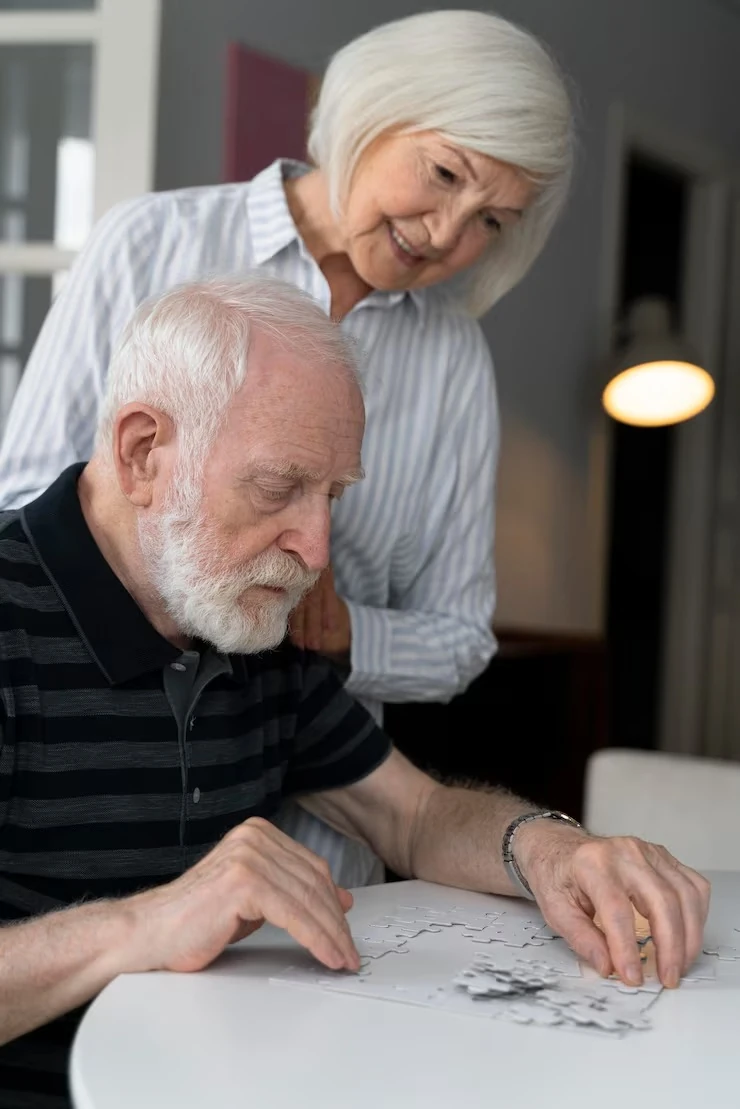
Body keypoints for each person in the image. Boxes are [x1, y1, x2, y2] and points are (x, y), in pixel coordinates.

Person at [0, 277, 709, 1109]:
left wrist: (549, 850)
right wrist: (144, 924)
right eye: (279, 488)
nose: (315, 550)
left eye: (333, 494)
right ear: (143, 452)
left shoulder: (244, 612)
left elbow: (415, 815)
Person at [0, 10, 575, 886]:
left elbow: (456, 648)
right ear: (375, 110)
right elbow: (30, 507)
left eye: (492, 220)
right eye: (444, 173)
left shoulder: (453, 359)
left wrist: (343, 630)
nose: (447, 233)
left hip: (330, 805)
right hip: (102, 785)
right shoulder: (152, 243)